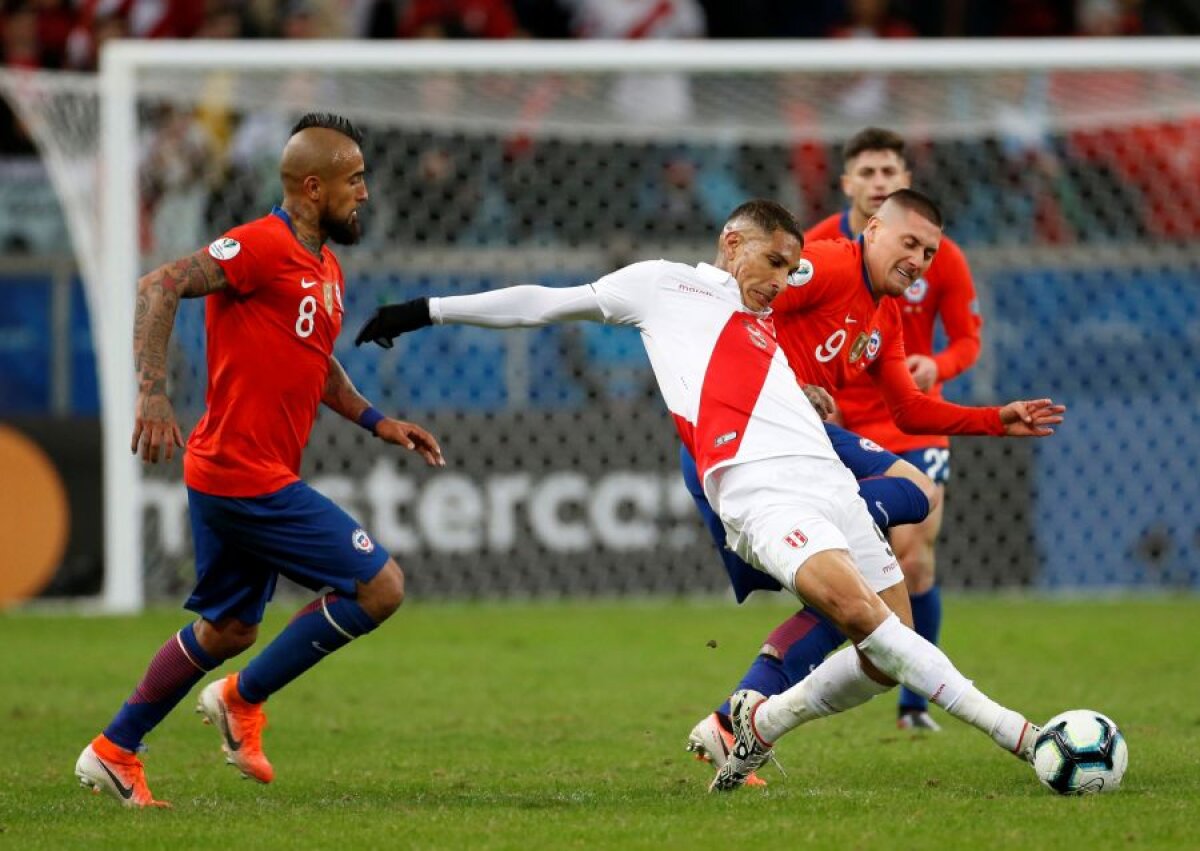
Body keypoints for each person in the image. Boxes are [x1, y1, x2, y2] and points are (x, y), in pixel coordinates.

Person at [355, 196, 1065, 793]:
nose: (783, 280)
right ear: (733, 243)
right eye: (773, 262)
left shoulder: (771, 324)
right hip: (761, 492)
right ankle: (1024, 736)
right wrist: (424, 309)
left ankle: (762, 721)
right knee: (860, 614)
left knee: (885, 655)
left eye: (791, 267)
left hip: (826, 477)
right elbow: (544, 303)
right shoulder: (663, 286)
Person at [74, 113, 445, 809]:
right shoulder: (259, 245)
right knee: (381, 586)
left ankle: (114, 748)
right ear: (313, 186)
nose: (365, 191)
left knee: (230, 627)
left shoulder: (325, 267)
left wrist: (378, 421)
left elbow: (319, 365)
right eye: (354, 178)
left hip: (230, 474)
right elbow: (160, 284)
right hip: (244, 475)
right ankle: (241, 698)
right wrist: (152, 392)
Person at [814, 127, 982, 730]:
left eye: (890, 172)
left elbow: (968, 339)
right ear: (848, 184)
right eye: (868, 172)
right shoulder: (814, 250)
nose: (879, 182)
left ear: (904, 182)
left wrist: (939, 364)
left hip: (911, 421)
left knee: (914, 562)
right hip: (838, 422)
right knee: (845, 567)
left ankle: (914, 703)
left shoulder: (941, 255)